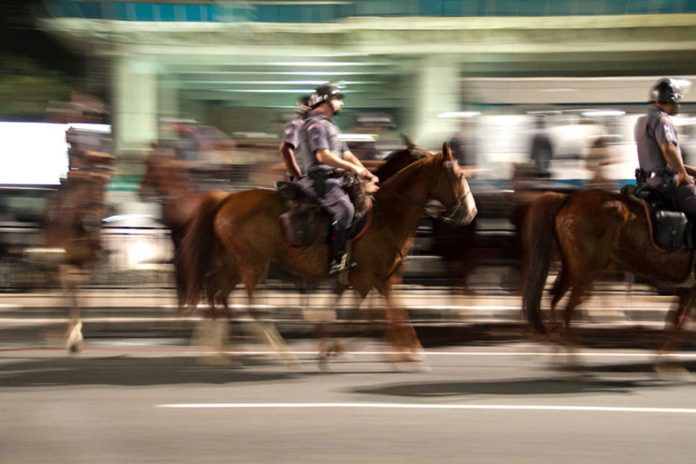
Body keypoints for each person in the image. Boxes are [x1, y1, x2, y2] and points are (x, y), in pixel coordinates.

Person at [297, 84, 378, 275]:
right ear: (325, 101)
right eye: (338, 98)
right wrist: (352, 168)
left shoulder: (331, 126)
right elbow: (322, 156)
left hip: (335, 179)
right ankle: (337, 259)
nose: (341, 103)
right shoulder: (315, 125)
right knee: (345, 210)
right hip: (319, 180)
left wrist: (366, 172)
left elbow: (347, 154)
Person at [635, 77, 696, 216]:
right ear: (671, 99)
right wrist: (683, 174)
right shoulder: (662, 120)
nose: (678, 105)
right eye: (677, 100)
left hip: (650, 181)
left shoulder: (642, 121)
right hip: (666, 183)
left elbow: (662, 160)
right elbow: (668, 149)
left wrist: (688, 170)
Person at [278, 95, 312, 180]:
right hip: (304, 176)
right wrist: (298, 176)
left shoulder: (318, 126)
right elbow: (285, 150)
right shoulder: (296, 125)